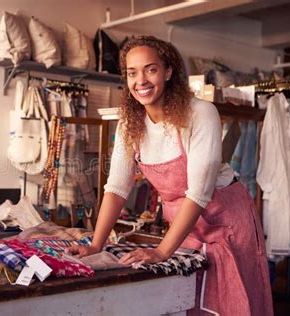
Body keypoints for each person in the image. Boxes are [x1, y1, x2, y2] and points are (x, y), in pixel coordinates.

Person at [68, 36, 273, 315]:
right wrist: (95, 244)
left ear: (168, 72)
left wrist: (163, 252)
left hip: (227, 224)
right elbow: (116, 188)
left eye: (150, 69)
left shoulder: (201, 114)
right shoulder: (131, 125)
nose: (141, 80)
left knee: (231, 302)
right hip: (187, 227)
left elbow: (199, 193)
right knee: (188, 303)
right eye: (132, 72)